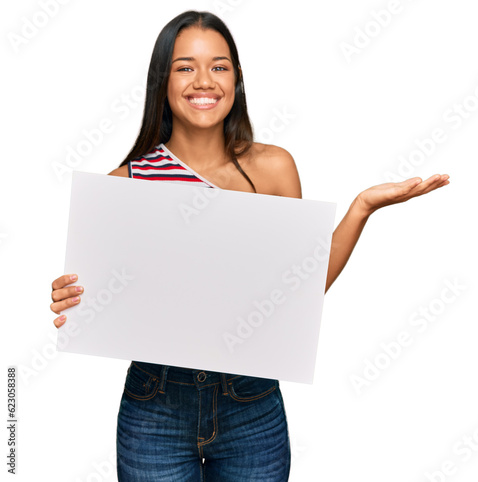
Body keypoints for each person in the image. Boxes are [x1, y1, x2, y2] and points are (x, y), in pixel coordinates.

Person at [49, 10, 449, 481]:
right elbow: (108, 299)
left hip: (251, 404)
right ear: (162, 80)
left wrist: (362, 207)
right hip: (153, 404)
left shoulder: (273, 168)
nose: (204, 80)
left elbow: (299, 290)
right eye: (185, 67)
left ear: (237, 79)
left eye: (219, 66)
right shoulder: (126, 183)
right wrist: (74, 300)